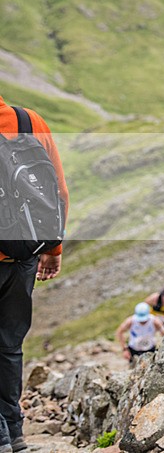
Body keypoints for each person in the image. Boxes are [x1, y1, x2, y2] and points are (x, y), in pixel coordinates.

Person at [0, 96, 69, 453]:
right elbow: (58, 192)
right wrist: (53, 249)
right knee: (9, 346)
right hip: (22, 253)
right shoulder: (29, 121)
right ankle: (14, 432)